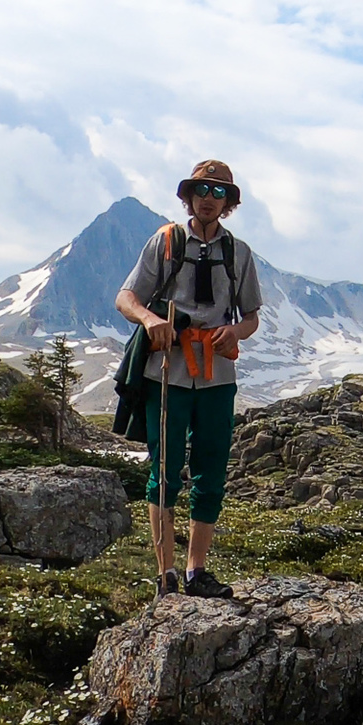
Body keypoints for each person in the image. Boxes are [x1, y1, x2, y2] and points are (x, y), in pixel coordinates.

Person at [114, 160, 264, 598]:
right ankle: (166, 575)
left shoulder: (239, 253)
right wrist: (149, 319)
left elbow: (252, 315)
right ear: (188, 195)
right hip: (167, 370)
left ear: (229, 203)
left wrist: (235, 331)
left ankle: (197, 570)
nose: (208, 197)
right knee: (164, 471)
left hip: (218, 373)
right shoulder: (165, 242)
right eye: (201, 189)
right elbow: (127, 296)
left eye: (218, 192)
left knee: (211, 469)